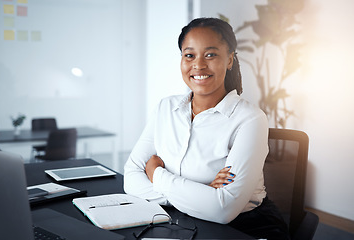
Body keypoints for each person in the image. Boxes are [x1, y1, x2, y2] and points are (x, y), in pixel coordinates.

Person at [124, 17, 289, 240]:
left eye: (210, 54)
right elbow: (130, 179)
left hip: (245, 228)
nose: (199, 65)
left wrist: (156, 174)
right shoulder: (166, 108)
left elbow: (223, 210)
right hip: (180, 220)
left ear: (230, 59)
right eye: (189, 55)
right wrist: (204, 193)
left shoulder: (250, 119)